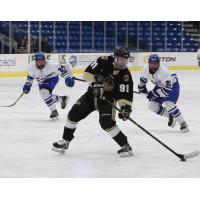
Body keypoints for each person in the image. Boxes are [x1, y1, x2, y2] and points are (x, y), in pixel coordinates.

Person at [52, 47, 134, 157]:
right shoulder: (103, 60)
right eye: (121, 59)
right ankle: (65, 141)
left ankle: (125, 145)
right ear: (114, 57)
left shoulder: (125, 76)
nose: (123, 62)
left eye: (125, 59)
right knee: (73, 114)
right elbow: (87, 73)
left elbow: (124, 95)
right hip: (91, 95)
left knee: (106, 123)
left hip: (107, 100)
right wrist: (93, 83)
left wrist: (125, 108)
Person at [138, 54, 189, 133]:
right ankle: (170, 115)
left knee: (168, 103)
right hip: (160, 85)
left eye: (155, 64)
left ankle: (183, 123)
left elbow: (166, 90)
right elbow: (142, 81)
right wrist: (142, 89)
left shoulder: (164, 71)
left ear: (159, 63)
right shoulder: (145, 69)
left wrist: (153, 93)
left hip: (172, 86)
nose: (153, 66)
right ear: (148, 63)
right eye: (151, 63)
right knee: (151, 105)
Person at [22, 52, 75, 120]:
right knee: (45, 95)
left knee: (44, 93)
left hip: (52, 78)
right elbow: (30, 76)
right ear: (36, 61)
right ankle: (62, 99)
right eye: (39, 61)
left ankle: (54, 111)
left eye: (42, 61)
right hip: (41, 81)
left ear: (45, 60)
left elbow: (63, 69)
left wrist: (67, 77)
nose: (41, 63)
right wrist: (28, 84)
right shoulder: (31, 67)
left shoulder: (52, 65)